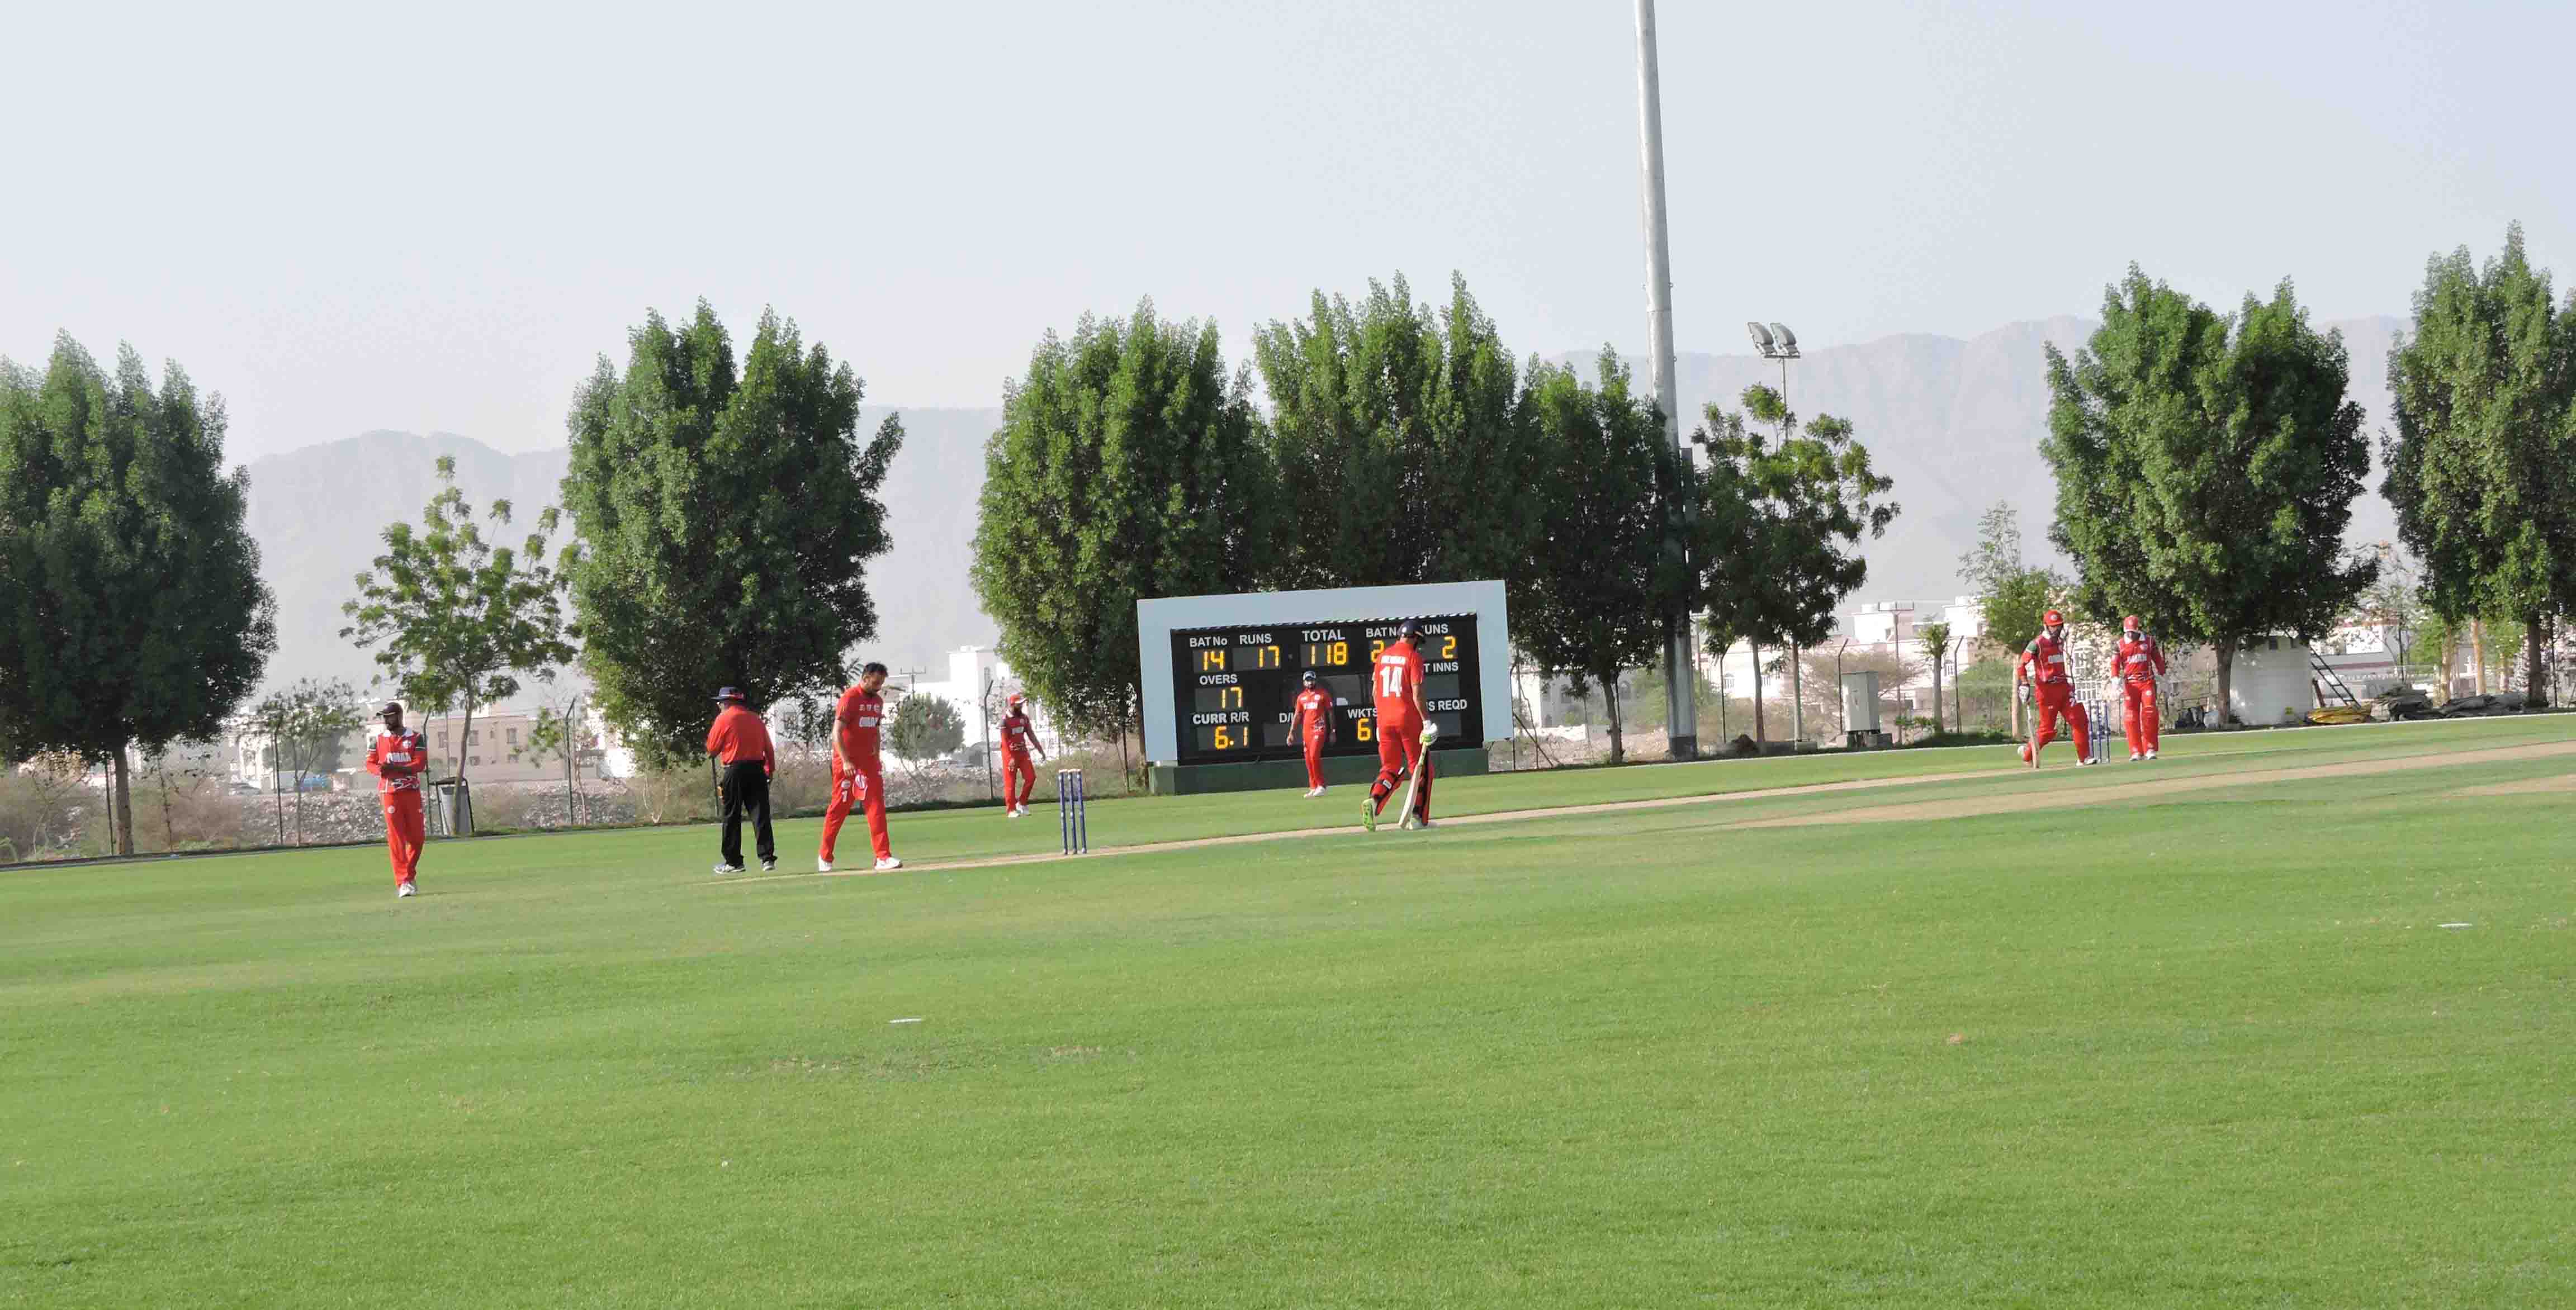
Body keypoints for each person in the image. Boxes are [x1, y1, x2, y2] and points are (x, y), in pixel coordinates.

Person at [820, 662, 901, 872]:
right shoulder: (850, 698)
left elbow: (875, 730)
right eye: (876, 683)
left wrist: (877, 755)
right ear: (865, 679)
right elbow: (837, 732)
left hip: (869, 763)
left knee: (876, 807)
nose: (878, 687)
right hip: (847, 763)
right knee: (839, 809)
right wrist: (846, 760)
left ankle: (883, 857)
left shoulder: (878, 702)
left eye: (881, 683)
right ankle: (825, 855)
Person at [1363, 619, 1438, 830]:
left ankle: (1374, 801)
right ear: (1415, 638)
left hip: (1384, 720)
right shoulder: (1414, 658)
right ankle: (1418, 818)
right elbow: (1417, 693)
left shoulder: (1382, 656)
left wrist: (1380, 721)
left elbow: (1375, 693)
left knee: (1390, 768)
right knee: (1422, 769)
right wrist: (1426, 721)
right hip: (1407, 719)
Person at [705, 686, 776, 874]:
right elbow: (768, 748)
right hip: (757, 770)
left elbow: (712, 749)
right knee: (760, 815)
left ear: (727, 702)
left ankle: (734, 862)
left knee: (732, 816)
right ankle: (767, 859)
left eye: (720, 702)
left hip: (734, 770)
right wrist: (770, 770)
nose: (719, 705)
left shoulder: (724, 719)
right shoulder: (756, 719)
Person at [2015, 610, 2097, 768]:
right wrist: (2024, 684)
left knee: (2079, 720)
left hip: (2064, 688)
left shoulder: (2060, 641)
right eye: (2053, 627)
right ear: (2046, 626)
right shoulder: (2036, 644)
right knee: (2047, 731)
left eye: (2059, 626)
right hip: (2046, 691)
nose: (2057, 630)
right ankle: (2027, 754)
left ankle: (2084, 757)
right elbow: (2021, 665)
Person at [364, 701, 428, 897]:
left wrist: (396, 769)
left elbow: (419, 765)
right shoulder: (378, 740)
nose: (386, 720)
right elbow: (370, 764)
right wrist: (380, 771)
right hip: (390, 793)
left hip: (411, 791)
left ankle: (408, 873)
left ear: (399, 716)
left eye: (390, 717)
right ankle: (403, 882)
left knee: (417, 839)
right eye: (384, 717)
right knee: (396, 838)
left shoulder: (416, 738)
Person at [2111, 614, 2168, 761]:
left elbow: (2158, 660)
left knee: (2150, 713)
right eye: (2128, 632)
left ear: (2138, 630)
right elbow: (2115, 664)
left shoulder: (2149, 642)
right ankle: (2135, 751)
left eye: (2133, 632)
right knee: (2131, 717)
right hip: (2130, 685)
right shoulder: (2119, 645)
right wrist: (2115, 678)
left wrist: (2163, 676)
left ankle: (2150, 748)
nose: (2131, 635)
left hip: (2147, 682)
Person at [998, 692, 1045, 818]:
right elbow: (1004, 742)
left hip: (1023, 753)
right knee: (1010, 783)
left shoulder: (1024, 718)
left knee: (1031, 778)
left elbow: (1031, 734)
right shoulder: (1004, 721)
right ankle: (1011, 810)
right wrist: (1010, 758)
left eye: (1022, 704)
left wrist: (1040, 749)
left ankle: (1022, 803)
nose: (1021, 706)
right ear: (1012, 705)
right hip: (1010, 755)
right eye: (1019, 705)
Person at [1293, 669, 1336, 796]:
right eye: (1308, 680)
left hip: (1319, 729)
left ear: (1315, 681)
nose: (1310, 682)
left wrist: (1333, 731)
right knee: (1308, 759)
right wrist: (1291, 732)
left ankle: (1321, 786)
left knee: (1314, 755)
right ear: (1304, 682)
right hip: (1306, 732)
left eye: (1312, 680)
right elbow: (1297, 715)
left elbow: (1331, 713)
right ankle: (1313, 787)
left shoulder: (1323, 694)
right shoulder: (1301, 697)